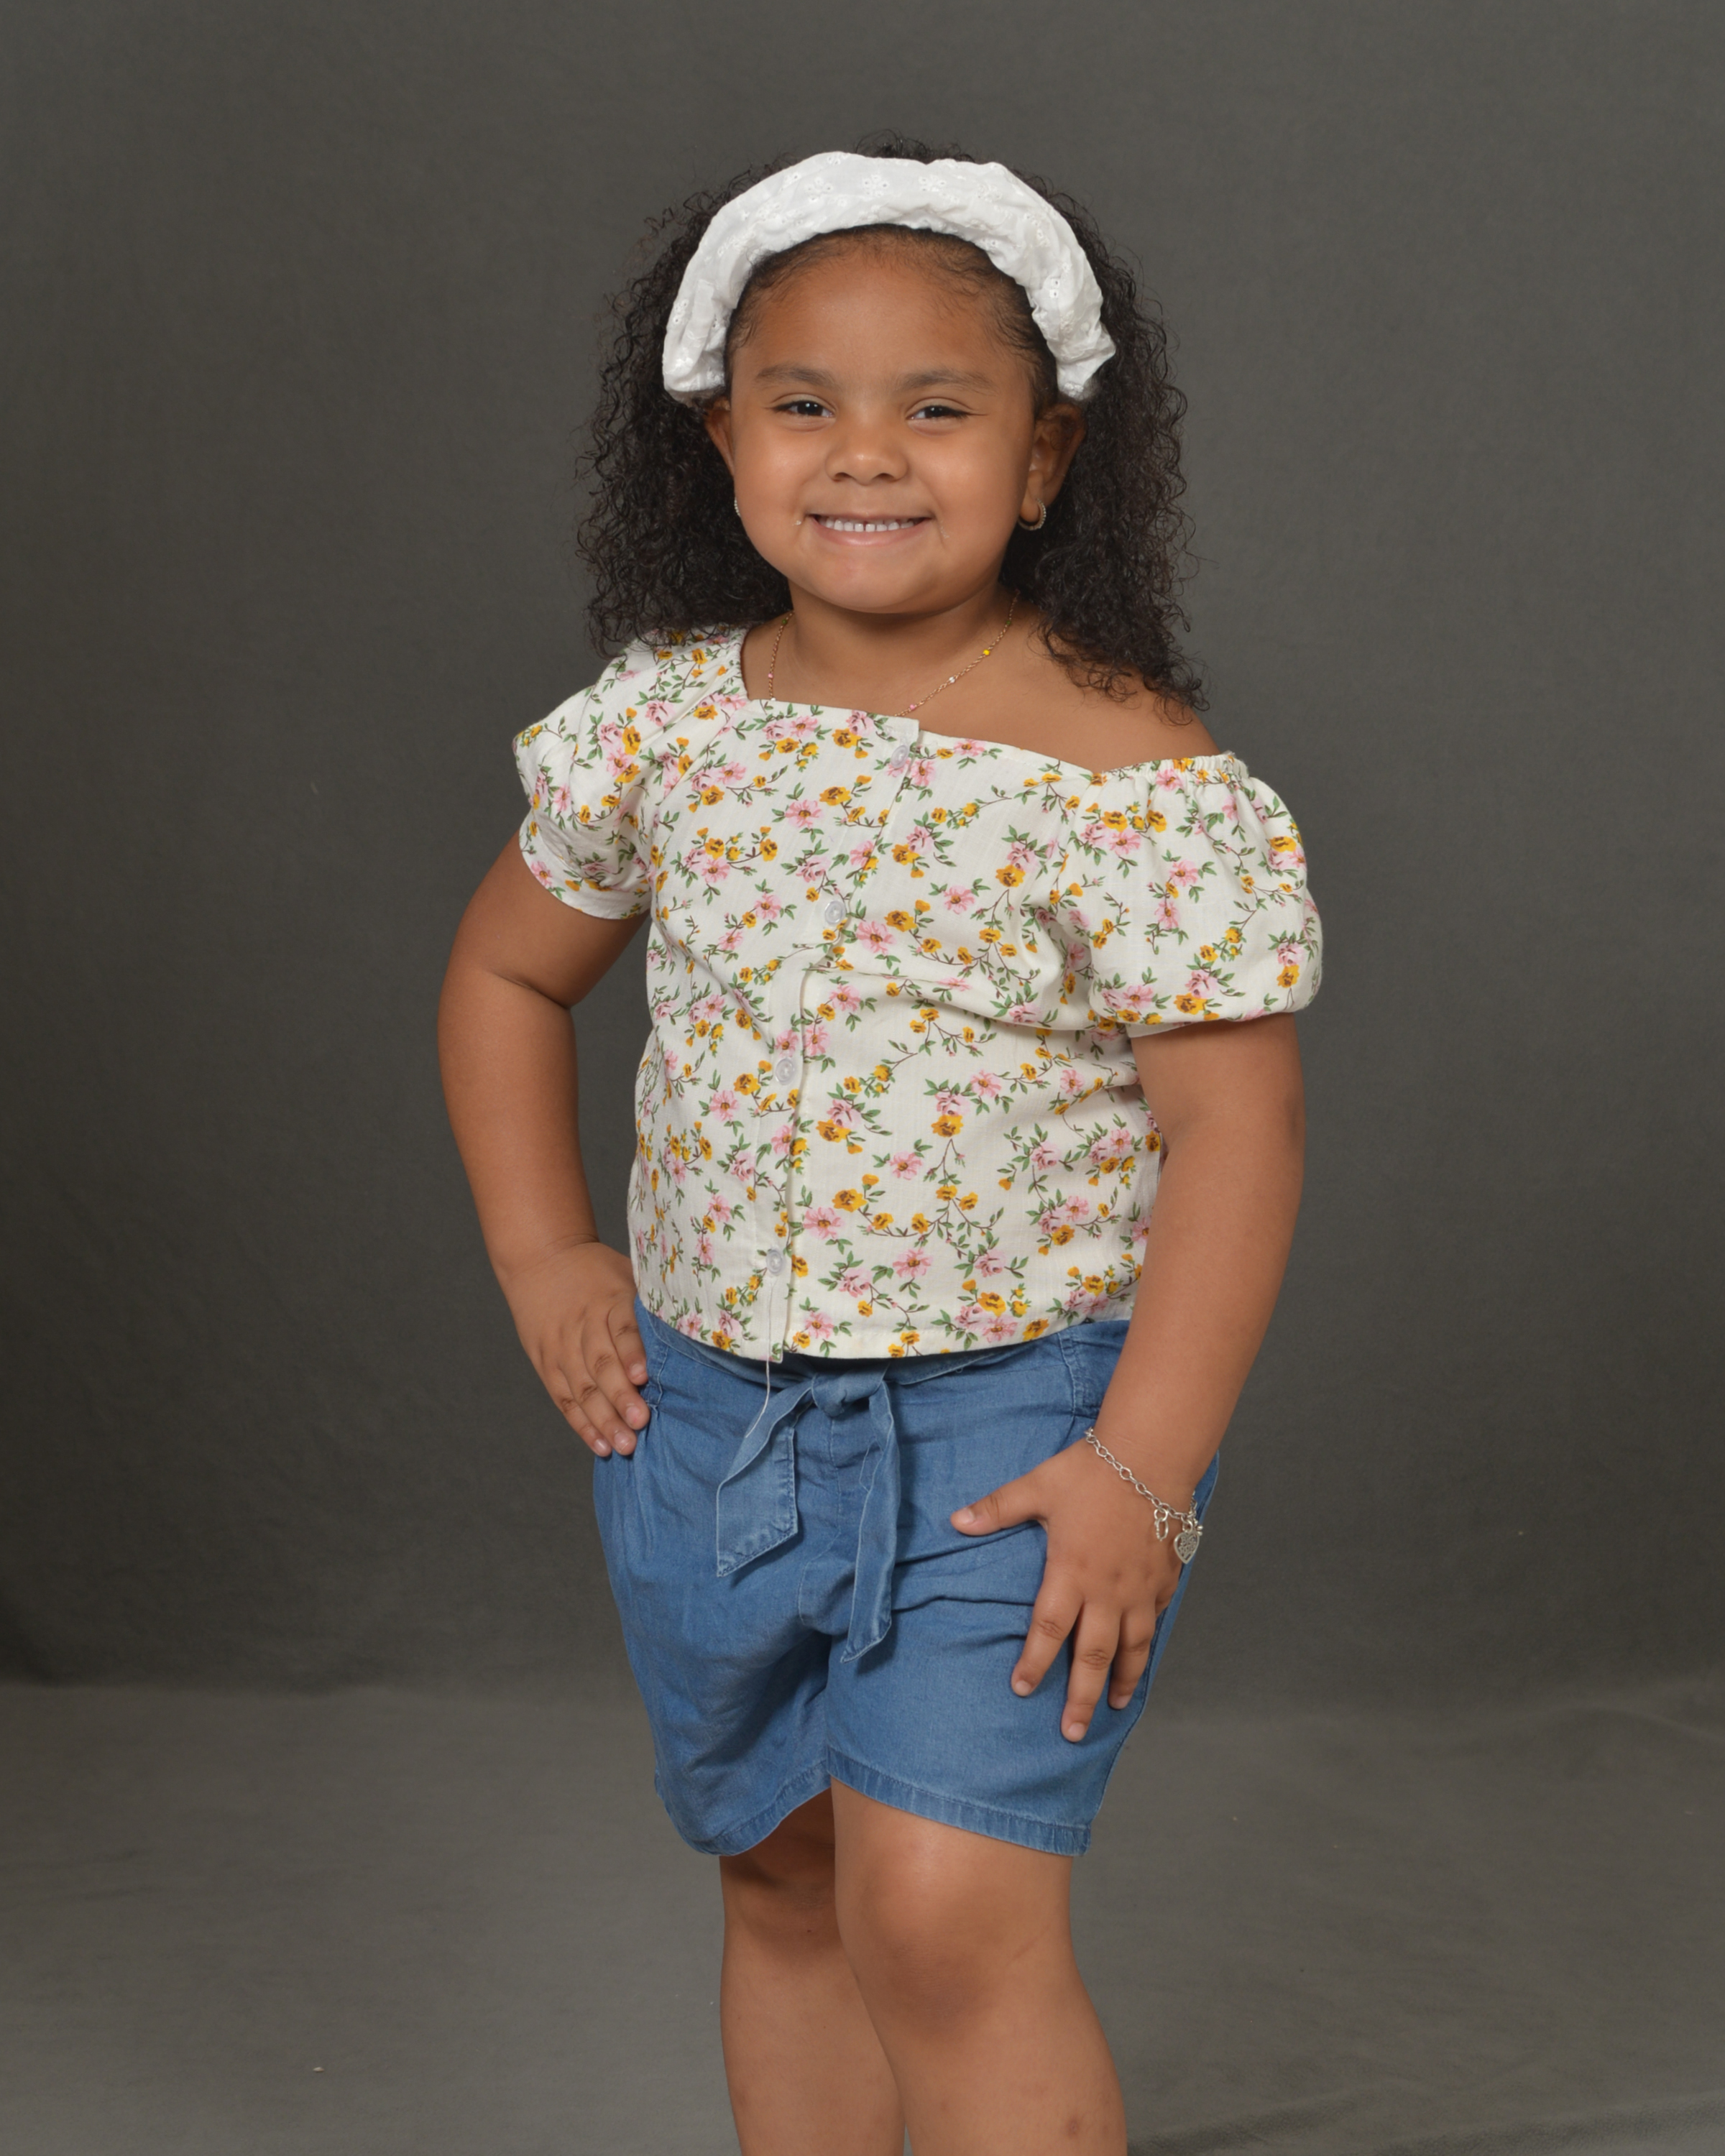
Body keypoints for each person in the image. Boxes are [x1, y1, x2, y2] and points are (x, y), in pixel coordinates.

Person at [439, 140, 1320, 2156]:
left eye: (938, 407)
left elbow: (1240, 1136)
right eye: (804, 403)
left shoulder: (1128, 774)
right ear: (721, 444)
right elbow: (502, 975)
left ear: (1047, 454)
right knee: (787, 1872)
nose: (865, 455)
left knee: (944, 1917)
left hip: (1021, 1429)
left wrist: (1141, 1470)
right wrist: (545, 1254)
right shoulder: (664, 726)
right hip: (709, 1419)